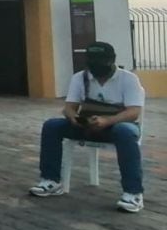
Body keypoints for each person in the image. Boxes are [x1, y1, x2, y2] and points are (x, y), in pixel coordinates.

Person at [29, 41, 146, 212]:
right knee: (52, 126)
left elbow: (133, 112)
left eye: (101, 61)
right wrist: (74, 118)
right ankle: (51, 181)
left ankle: (133, 193)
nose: (97, 66)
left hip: (116, 127)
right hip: (86, 126)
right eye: (93, 62)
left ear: (111, 60)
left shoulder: (128, 79)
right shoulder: (80, 78)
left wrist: (106, 121)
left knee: (126, 133)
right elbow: (68, 107)